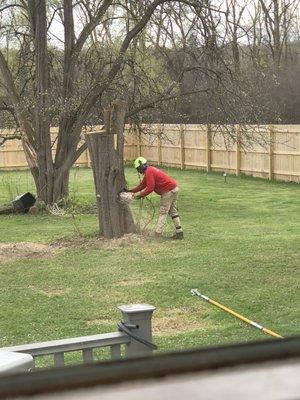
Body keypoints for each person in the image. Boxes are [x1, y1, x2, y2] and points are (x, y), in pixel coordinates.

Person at [129, 157, 184, 240]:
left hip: (168, 191)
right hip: (174, 188)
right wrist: (130, 191)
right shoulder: (150, 170)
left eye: (138, 168)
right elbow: (142, 185)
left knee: (163, 212)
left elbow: (150, 188)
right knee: (173, 211)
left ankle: (157, 234)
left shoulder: (149, 171)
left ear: (141, 166)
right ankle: (180, 233)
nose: (138, 171)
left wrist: (139, 196)